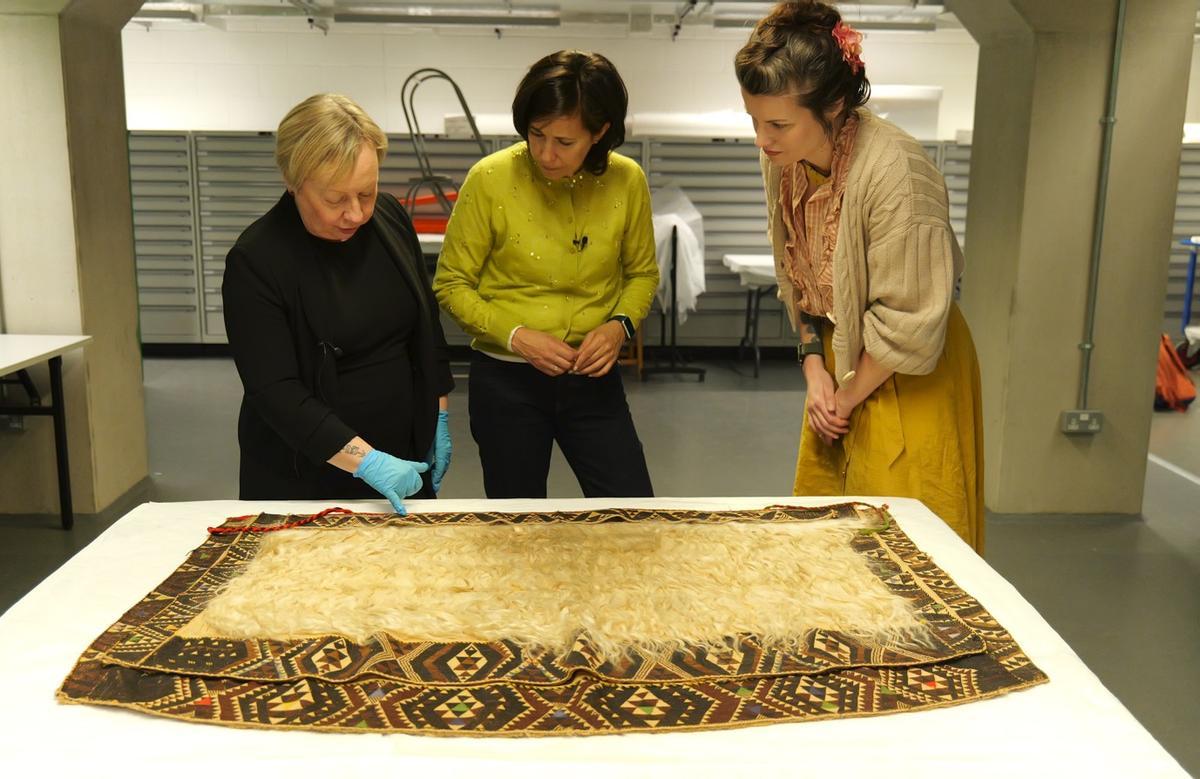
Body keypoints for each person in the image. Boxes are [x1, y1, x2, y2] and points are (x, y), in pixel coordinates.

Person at [736, 1, 985, 551]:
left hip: (909, 365)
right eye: (753, 120)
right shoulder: (783, 156)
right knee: (828, 538)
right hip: (841, 356)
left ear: (834, 105)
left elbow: (912, 321)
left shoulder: (898, 171)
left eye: (777, 123)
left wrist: (845, 397)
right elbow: (794, 273)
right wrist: (814, 370)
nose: (762, 139)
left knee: (909, 548)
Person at [433, 50, 659, 499]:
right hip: (506, 381)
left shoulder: (627, 180)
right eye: (536, 135)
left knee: (631, 513)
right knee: (517, 529)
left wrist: (619, 327)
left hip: (592, 379)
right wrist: (516, 335)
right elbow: (451, 283)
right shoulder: (490, 179)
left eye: (564, 142)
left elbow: (642, 275)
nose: (545, 154)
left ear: (600, 133)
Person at [222, 93, 454, 514]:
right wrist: (367, 462)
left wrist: (437, 410)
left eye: (366, 192)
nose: (356, 214)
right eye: (335, 200)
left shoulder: (388, 218)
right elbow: (275, 392)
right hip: (307, 475)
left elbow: (425, 324)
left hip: (402, 463)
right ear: (293, 183)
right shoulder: (257, 260)